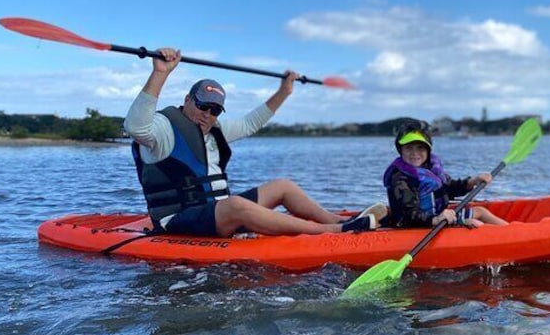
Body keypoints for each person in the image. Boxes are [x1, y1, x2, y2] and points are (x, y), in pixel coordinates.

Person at [124, 47, 379, 237]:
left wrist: (283, 93)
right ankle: (329, 231)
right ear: (188, 99)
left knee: (283, 186)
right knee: (235, 205)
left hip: (214, 213)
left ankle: (338, 220)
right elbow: (135, 126)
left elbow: (251, 123)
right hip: (177, 220)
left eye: (214, 110)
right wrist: (160, 73)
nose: (207, 114)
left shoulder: (215, 129)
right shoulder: (164, 128)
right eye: (203, 105)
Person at [383, 119, 508, 228]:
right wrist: (436, 220)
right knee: (475, 223)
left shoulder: (431, 169)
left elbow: (448, 189)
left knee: (481, 211)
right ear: (401, 150)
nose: (415, 153)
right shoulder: (400, 179)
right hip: (415, 225)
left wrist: (472, 182)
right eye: (408, 148)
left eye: (420, 148)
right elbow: (410, 215)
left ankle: (512, 231)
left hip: (437, 219)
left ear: (428, 150)